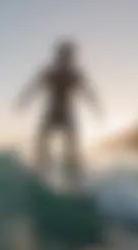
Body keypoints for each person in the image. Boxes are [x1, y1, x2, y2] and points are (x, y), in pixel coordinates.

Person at [15, 39, 102, 183]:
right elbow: (33, 87)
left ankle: (75, 177)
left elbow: (88, 92)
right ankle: (40, 171)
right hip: (52, 114)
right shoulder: (51, 72)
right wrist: (24, 100)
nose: (67, 58)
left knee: (72, 149)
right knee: (42, 145)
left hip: (66, 115)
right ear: (59, 56)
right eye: (64, 55)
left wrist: (95, 107)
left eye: (69, 55)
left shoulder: (75, 74)